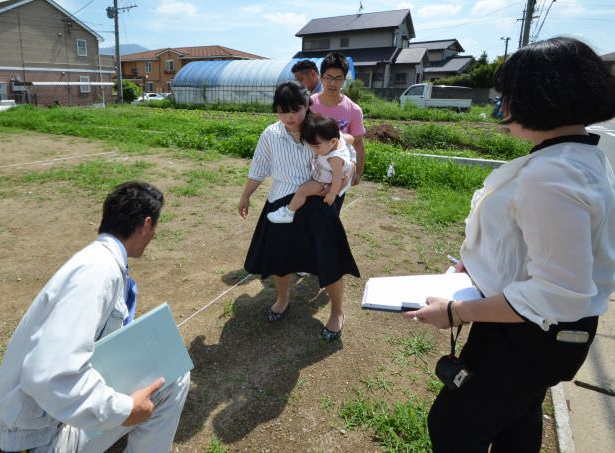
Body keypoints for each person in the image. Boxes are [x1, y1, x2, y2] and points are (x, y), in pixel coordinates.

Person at [404, 37, 615, 453]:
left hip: (529, 334)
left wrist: (455, 310)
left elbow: (558, 293)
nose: (502, 104)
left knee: (451, 425)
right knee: (516, 415)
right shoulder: (581, 156)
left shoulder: (550, 175)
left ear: (542, 95)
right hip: (533, 329)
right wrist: (479, 266)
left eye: (508, 93)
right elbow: (545, 251)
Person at [0, 181, 190, 453]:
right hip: (40, 441)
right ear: (146, 224)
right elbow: (48, 375)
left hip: (38, 425)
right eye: (155, 227)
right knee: (172, 378)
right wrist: (125, 409)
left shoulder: (95, 260)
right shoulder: (98, 272)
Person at [239, 81, 360, 341]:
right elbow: (259, 166)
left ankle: (337, 311)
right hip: (282, 202)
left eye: (295, 110)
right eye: (283, 111)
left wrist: (341, 177)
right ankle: (283, 298)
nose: (289, 117)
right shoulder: (271, 134)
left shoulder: (317, 127)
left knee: (328, 260)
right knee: (280, 259)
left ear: (307, 106)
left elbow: (345, 145)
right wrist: (246, 195)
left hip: (316, 203)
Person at [267, 112, 353, 223]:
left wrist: (332, 194)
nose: (314, 150)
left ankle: (289, 212)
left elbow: (337, 177)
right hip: (327, 177)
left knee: (303, 190)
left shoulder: (335, 158)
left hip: (325, 182)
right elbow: (350, 139)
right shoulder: (337, 139)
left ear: (333, 141)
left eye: (317, 147)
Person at [310, 52, 366, 188]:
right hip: (308, 170)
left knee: (332, 207)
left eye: (338, 78)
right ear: (321, 77)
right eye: (328, 77)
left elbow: (358, 143)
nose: (333, 83)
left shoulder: (353, 110)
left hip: (338, 175)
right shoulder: (309, 104)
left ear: (344, 79)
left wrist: (359, 171)